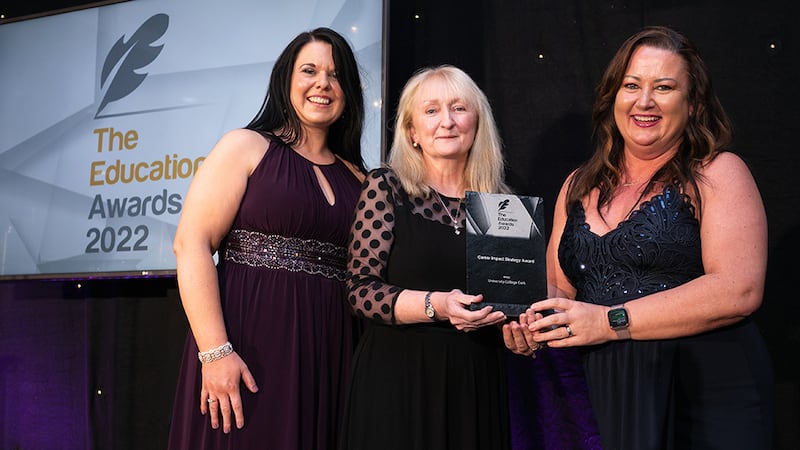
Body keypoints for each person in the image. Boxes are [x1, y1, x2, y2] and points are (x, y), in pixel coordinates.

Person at [504, 26, 774, 449]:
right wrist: (526, 321)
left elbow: (738, 289)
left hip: (699, 390)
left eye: (663, 87)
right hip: (600, 390)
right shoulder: (578, 185)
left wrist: (610, 321)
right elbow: (559, 285)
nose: (644, 101)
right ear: (614, 96)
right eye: (632, 85)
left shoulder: (719, 173)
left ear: (693, 103)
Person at [167, 27, 366, 449]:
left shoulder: (361, 179)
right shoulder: (245, 146)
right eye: (309, 70)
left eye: (335, 75)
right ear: (285, 80)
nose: (323, 84)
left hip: (329, 352)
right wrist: (215, 352)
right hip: (247, 347)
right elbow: (191, 244)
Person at [338, 65, 512, 450]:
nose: (447, 122)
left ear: (477, 122)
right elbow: (360, 291)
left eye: (459, 109)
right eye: (431, 111)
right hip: (398, 379)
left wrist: (521, 327)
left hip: (474, 379)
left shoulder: (504, 205)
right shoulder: (385, 187)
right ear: (412, 132)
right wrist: (439, 305)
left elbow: (513, 298)